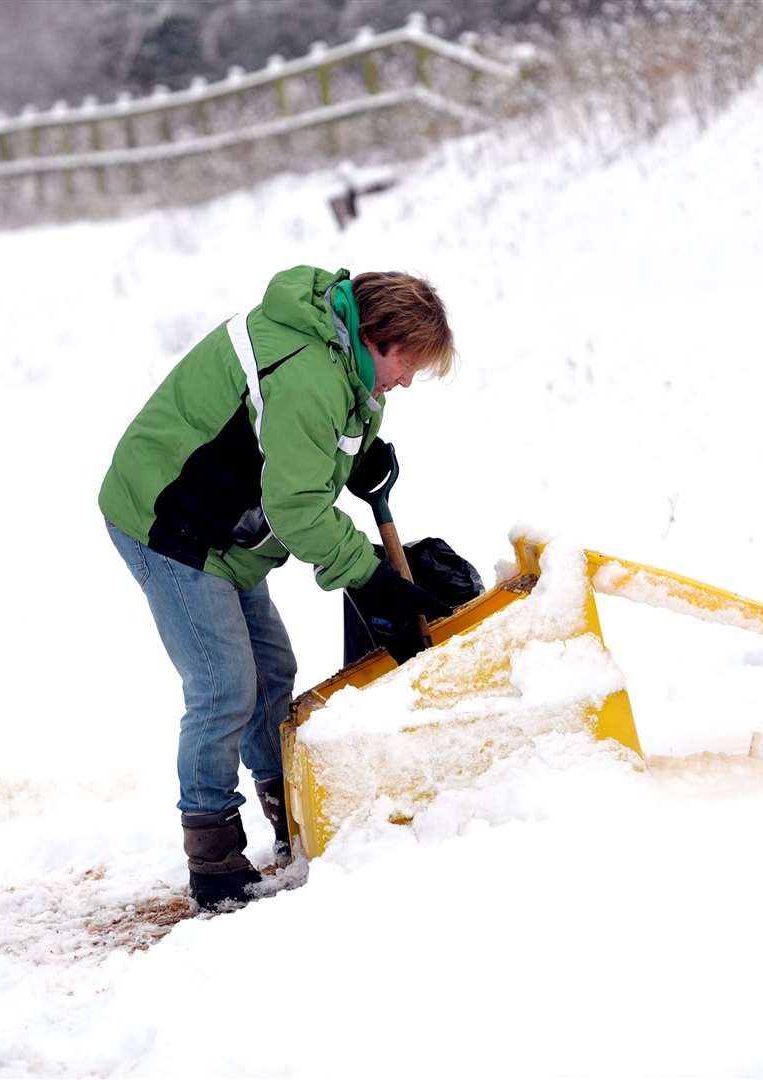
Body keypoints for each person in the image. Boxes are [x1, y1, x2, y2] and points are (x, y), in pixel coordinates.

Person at [98, 265, 457, 910]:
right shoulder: (308, 371)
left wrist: (356, 454)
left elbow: (309, 444)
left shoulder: (340, 358)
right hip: (167, 522)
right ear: (378, 339)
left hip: (223, 531)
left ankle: (287, 817)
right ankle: (214, 863)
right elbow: (296, 510)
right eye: (407, 364)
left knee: (272, 671)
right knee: (223, 686)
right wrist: (370, 578)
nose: (407, 380)